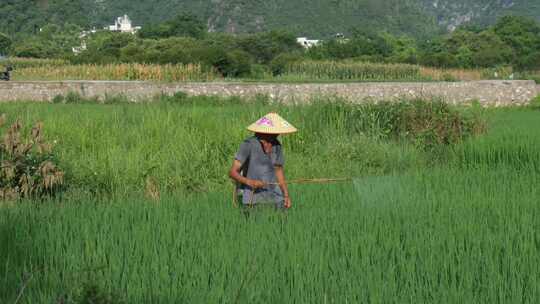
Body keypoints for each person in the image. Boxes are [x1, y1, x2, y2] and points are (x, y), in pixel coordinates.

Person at [229, 112, 297, 210]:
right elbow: (232, 173)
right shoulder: (248, 144)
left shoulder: (277, 145)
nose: (276, 135)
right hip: (253, 198)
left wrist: (286, 195)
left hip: (275, 196)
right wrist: (250, 182)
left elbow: (278, 170)